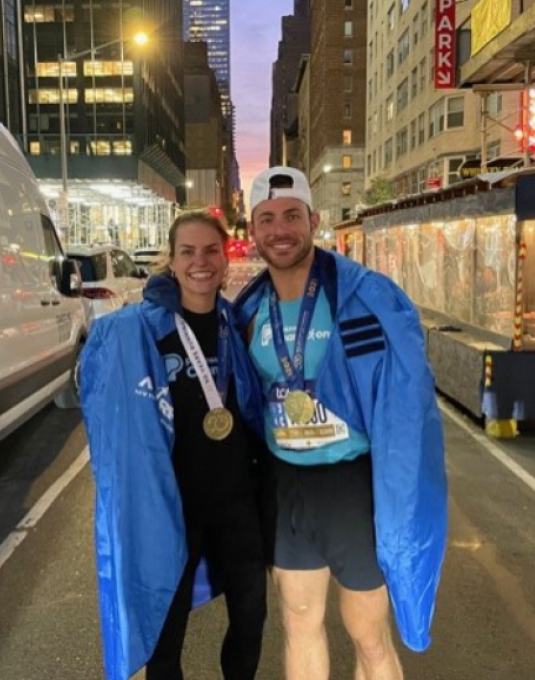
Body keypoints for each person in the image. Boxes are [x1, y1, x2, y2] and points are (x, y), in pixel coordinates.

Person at [233, 167, 448, 680]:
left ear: (314, 219)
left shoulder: (364, 296)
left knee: (368, 635)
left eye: (291, 216)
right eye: (267, 219)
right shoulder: (247, 311)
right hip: (286, 486)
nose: (280, 229)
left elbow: (408, 396)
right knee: (298, 624)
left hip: (352, 485)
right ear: (253, 231)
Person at [81, 211, 267, 680]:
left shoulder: (237, 324)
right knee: (167, 628)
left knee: (251, 616)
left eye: (211, 251)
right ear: (172, 259)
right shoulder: (141, 330)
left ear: (226, 260)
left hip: (236, 501)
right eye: (188, 251)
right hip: (172, 506)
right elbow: (97, 388)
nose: (200, 262)